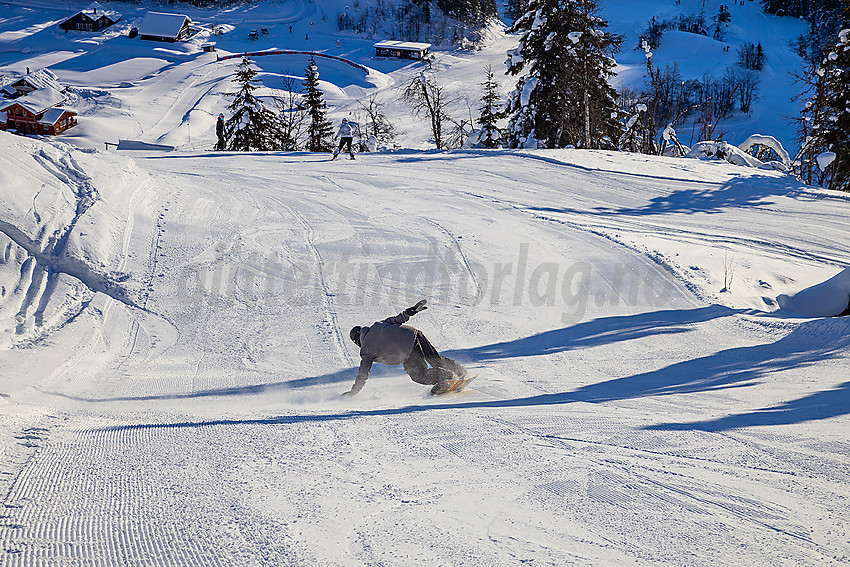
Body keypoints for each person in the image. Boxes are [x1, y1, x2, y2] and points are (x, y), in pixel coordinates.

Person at [343, 300, 468, 396]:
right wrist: (412, 310)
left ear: (356, 341)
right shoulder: (377, 325)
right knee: (434, 359)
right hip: (415, 334)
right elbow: (397, 319)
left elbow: (363, 373)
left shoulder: (366, 350)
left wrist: (353, 392)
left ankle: (447, 378)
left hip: (407, 351)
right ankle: (460, 371)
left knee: (418, 375)